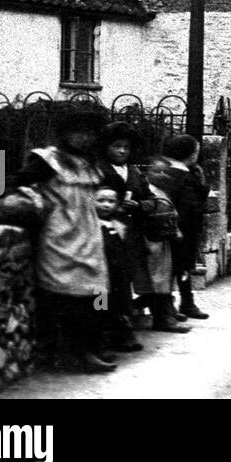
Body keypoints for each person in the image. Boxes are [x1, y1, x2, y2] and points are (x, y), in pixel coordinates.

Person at [3, 109, 114, 373]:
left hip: (89, 234)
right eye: (78, 133)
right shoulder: (47, 160)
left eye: (89, 133)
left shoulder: (92, 164)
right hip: (60, 236)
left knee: (99, 293)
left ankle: (95, 344)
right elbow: (14, 179)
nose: (84, 138)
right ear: (65, 134)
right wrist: (1, 201)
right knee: (65, 297)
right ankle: (68, 352)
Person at [95, 122, 156, 329]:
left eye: (126, 147)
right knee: (103, 282)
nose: (122, 151)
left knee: (125, 280)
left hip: (131, 235)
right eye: (117, 146)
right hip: (104, 234)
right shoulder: (97, 170)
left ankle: (123, 322)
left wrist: (139, 205)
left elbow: (151, 200)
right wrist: (114, 208)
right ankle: (102, 324)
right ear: (106, 147)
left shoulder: (134, 172)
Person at [158, 134, 211, 321]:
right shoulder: (177, 174)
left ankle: (186, 302)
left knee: (185, 266)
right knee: (174, 266)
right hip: (178, 226)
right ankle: (171, 305)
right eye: (196, 151)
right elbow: (186, 202)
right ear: (188, 154)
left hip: (190, 227)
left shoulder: (191, 172)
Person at [137, 158, 191, 333]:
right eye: (155, 171)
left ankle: (162, 312)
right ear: (148, 173)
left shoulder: (163, 191)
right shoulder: (149, 191)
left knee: (160, 280)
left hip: (162, 241)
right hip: (151, 240)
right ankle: (162, 317)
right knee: (156, 280)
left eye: (164, 172)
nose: (161, 175)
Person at [94, 188, 142, 354]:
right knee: (100, 306)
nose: (106, 205)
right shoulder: (91, 226)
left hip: (118, 275)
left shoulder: (119, 225)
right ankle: (101, 341)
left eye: (111, 201)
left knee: (121, 304)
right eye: (101, 200)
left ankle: (122, 336)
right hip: (99, 276)